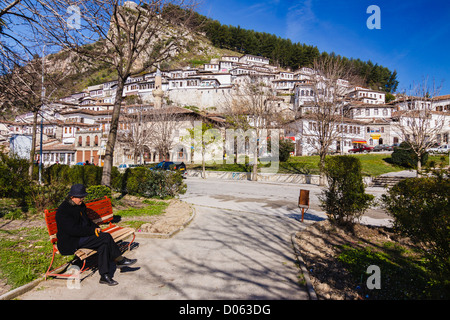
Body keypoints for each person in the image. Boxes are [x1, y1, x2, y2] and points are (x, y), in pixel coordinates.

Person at [55, 184, 137, 286]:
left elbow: (87, 221)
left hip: (82, 236)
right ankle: (119, 260)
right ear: (72, 197)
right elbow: (73, 230)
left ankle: (104, 276)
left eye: (83, 197)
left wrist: (95, 228)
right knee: (106, 237)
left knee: (103, 244)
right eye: (80, 197)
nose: (82, 199)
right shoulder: (63, 210)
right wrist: (91, 231)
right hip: (70, 241)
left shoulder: (80, 205)